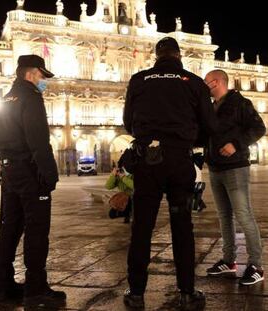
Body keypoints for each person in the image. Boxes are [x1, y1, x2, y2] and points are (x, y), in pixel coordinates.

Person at [122, 37, 217, 310]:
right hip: (179, 162)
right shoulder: (193, 81)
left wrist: (148, 134)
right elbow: (209, 123)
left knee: (142, 228)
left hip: (147, 161)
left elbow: (128, 121)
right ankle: (187, 291)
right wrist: (187, 138)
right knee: (182, 226)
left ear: (156, 56)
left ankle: (137, 292)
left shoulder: (139, 80)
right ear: (179, 56)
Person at [0, 54, 66, 308]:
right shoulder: (31, 97)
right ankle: (35, 287)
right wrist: (49, 174)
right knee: (37, 228)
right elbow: (38, 140)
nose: (45, 81)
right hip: (29, 171)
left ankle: (3, 286)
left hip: (8, 170)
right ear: (32, 73)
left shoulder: (6, 98)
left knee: (9, 227)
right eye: (43, 76)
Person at [204, 69, 265, 285]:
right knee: (224, 216)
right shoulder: (211, 107)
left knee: (243, 215)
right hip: (215, 167)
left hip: (236, 167)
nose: (205, 87)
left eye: (207, 82)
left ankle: (256, 265)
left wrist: (236, 144)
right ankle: (229, 261)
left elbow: (259, 128)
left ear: (218, 82)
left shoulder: (240, 103)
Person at [105, 158, 134, 223]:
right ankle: (128, 213)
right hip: (123, 200)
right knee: (112, 214)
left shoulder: (133, 174)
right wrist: (113, 176)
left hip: (134, 198)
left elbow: (135, 186)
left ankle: (130, 213)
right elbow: (108, 186)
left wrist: (124, 178)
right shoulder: (118, 175)